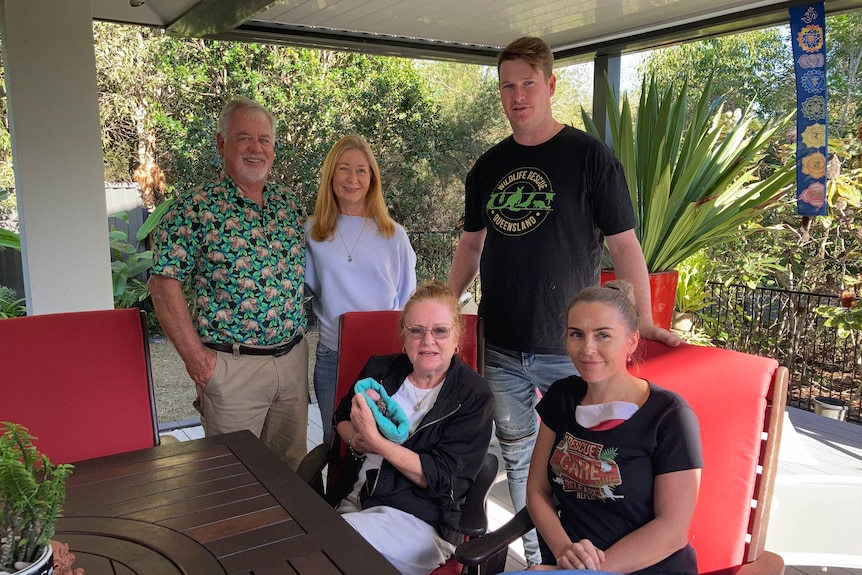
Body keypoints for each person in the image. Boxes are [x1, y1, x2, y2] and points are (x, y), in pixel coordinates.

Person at [446, 36, 681, 565]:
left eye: (528, 83)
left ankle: (587, 560)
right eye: (508, 85)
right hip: (502, 343)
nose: (517, 95)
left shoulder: (589, 157)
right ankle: (540, 561)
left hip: (574, 348)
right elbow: (471, 244)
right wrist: (443, 303)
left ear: (550, 85)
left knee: (584, 466)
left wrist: (642, 321)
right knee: (520, 458)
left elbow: (624, 245)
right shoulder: (487, 166)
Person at [148, 96, 308, 469]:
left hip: (292, 362)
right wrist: (198, 362)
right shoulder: (195, 208)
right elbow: (163, 284)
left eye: (265, 140)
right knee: (233, 478)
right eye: (244, 139)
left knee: (292, 472)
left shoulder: (288, 205)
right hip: (232, 368)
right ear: (221, 144)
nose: (256, 149)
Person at [527, 280, 702, 573]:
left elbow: (672, 531)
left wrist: (584, 574)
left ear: (632, 341)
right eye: (576, 334)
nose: (588, 348)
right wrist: (563, 550)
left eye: (603, 335)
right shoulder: (562, 397)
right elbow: (537, 489)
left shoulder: (669, 415)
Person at [331, 282, 494, 575]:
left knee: (326, 547)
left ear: (457, 337)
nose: (427, 340)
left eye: (440, 331)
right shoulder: (380, 371)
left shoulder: (473, 395)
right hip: (355, 500)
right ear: (403, 337)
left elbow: (441, 479)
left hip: (420, 520)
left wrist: (376, 442)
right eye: (416, 330)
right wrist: (355, 439)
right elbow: (341, 418)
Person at [306, 134, 417, 445]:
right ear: (331, 175)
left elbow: (408, 300)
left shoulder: (394, 235)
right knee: (336, 442)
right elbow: (306, 289)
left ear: (372, 179)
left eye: (361, 170)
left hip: (386, 357)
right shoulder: (312, 233)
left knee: (385, 441)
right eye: (343, 169)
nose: (352, 178)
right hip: (333, 356)